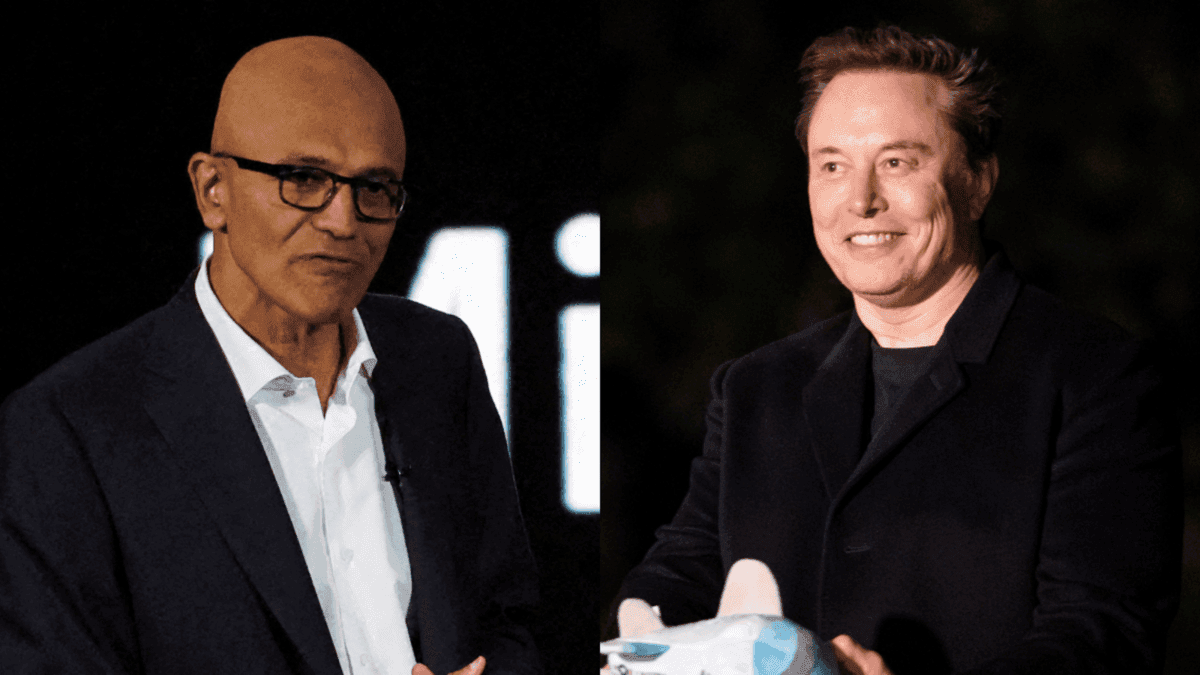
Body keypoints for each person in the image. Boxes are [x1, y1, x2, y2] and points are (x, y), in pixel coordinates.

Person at [610, 25, 1180, 674]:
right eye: (832, 166)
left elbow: (1102, 635)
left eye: (897, 162)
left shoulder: (1095, 376)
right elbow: (674, 579)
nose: (861, 201)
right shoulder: (755, 387)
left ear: (978, 182)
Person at [1, 37, 540, 675]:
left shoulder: (438, 359)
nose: (344, 221)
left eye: (375, 188)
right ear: (213, 190)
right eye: (304, 180)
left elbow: (509, 622)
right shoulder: (69, 430)